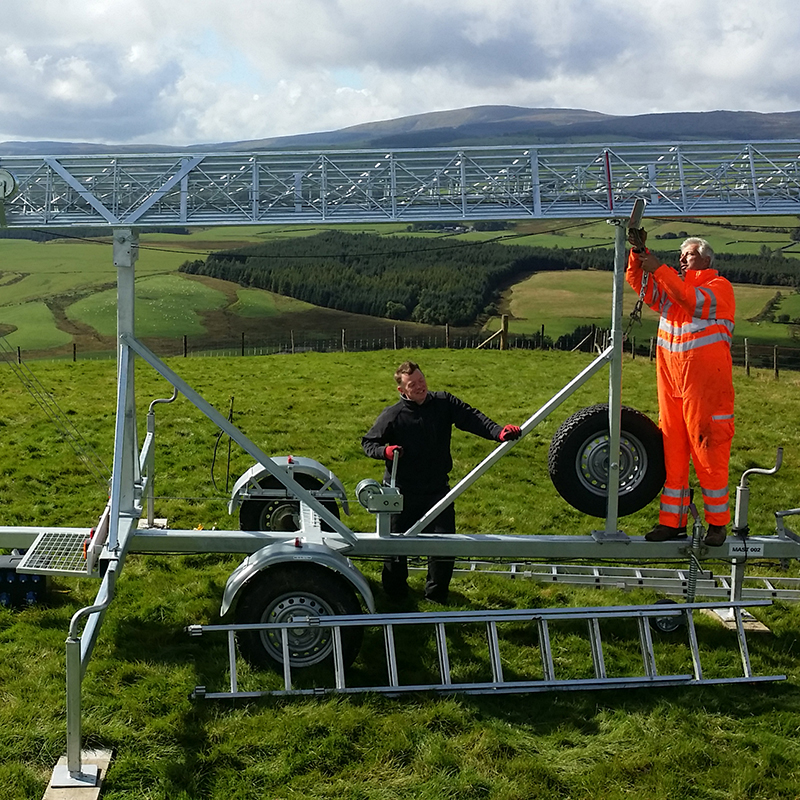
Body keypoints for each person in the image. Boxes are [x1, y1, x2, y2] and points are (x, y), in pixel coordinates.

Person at [361, 360, 521, 602]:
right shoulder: (392, 415)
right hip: (400, 492)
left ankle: (436, 596)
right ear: (401, 390)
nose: (420, 386)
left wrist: (498, 433)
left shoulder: (444, 403)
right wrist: (385, 451)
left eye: (422, 380)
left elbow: (472, 417)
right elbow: (368, 443)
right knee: (394, 548)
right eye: (412, 384)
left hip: (437, 490)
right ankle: (395, 595)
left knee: (445, 545)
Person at [626, 234, 735, 547]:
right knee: (672, 452)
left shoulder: (719, 288)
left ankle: (717, 525)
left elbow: (692, 300)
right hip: (672, 384)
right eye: (681, 255)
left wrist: (659, 268)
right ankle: (672, 522)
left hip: (706, 387)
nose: (682, 259)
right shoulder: (674, 287)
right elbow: (640, 284)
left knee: (709, 451)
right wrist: (638, 253)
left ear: (706, 259)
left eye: (688, 254)